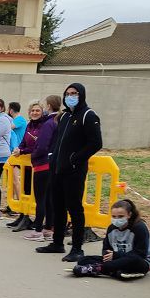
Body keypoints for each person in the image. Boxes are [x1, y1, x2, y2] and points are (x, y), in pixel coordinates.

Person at [36, 83, 102, 262]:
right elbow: (58, 140)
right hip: (57, 169)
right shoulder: (64, 115)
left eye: (74, 93)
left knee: (74, 208)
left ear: (82, 95)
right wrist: (52, 156)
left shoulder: (88, 116)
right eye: (68, 93)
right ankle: (57, 243)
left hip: (74, 170)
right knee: (58, 207)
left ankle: (77, 247)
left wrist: (75, 159)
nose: (70, 96)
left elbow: (96, 143)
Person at [71, 199, 150, 279]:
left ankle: (98, 269)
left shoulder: (139, 228)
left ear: (129, 215)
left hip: (138, 261)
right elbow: (106, 249)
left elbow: (140, 254)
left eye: (121, 216)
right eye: (114, 216)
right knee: (83, 260)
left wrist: (116, 255)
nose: (117, 219)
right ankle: (115, 271)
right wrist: (108, 255)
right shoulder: (111, 228)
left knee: (132, 260)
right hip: (116, 259)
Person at [15, 99, 53, 237]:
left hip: (43, 164)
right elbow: (25, 142)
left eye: (37, 110)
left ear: (42, 111)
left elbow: (39, 146)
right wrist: (20, 148)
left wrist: (24, 151)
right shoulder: (29, 125)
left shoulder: (45, 125)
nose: (35, 112)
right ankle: (48, 229)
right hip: (36, 164)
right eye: (32, 110)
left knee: (41, 199)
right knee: (45, 198)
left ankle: (38, 230)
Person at [6, 101, 28, 216]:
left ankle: (19, 206)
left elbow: (8, 128)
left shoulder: (19, 119)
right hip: (13, 152)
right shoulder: (16, 120)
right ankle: (13, 205)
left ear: (11, 110)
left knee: (16, 180)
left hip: (18, 153)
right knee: (12, 180)